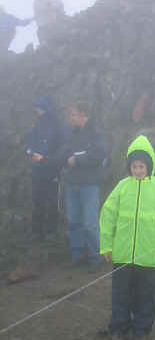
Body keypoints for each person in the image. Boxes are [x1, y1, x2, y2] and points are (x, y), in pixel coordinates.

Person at [100, 135, 155, 340]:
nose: (138, 170)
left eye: (142, 166)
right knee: (120, 295)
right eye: (134, 166)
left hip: (146, 257)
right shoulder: (122, 187)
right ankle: (119, 329)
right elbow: (107, 215)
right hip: (122, 255)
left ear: (149, 165)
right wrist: (106, 245)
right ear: (129, 166)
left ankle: (141, 330)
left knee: (145, 296)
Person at [53, 101, 107, 269]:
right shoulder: (72, 133)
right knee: (74, 221)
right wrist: (48, 160)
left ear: (83, 115)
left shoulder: (97, 133)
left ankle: (97, 258)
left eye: (73, 114)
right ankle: (78, 255)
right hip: (72, 183)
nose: (70, 118)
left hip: (90, 185)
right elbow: (64, 152)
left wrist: (77, 159)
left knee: (90, 223)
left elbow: (99, 155)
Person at [27, 96, 66, 243]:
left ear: (45, 107)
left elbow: (62, 147)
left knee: (51, 201)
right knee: (38, 201)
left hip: (52, 169)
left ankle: (51, 231)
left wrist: (46, 159)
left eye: (38, 107)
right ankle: (36, 231)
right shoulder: (37, 123)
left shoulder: (57, 125)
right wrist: (30, 153)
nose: (36, 110)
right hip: (37, 169)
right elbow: (31, 141)